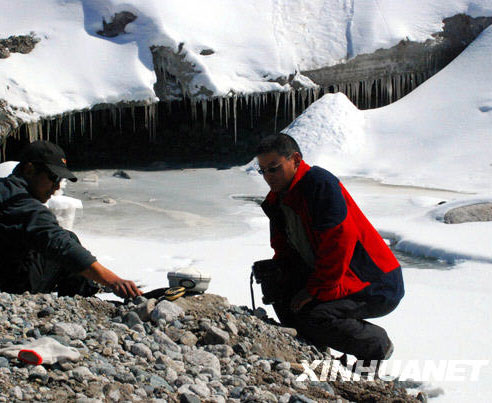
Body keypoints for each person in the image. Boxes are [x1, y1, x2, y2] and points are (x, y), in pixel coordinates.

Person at [254, 133, 404, 361]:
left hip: (374, 281)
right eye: (262, 170)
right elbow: (284, 249)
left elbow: (339, 240)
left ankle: (375, 345)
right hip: (335, 277)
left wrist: (315, 290)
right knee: (276, 283)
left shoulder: (318, 184)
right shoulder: (278, 200)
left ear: (295, 160)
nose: (268, 177)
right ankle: (312, 348)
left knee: (316, 315)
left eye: (273, 168)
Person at [0, 140, 142, 299]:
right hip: (9, 288)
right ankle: (83, 301)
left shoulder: (5, 190)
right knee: (67, 243)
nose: (57, 187)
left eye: (60, 180)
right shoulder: (23, 205)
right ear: (29, 169)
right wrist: (113, 280)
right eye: (53, 177)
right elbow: (59, 243)